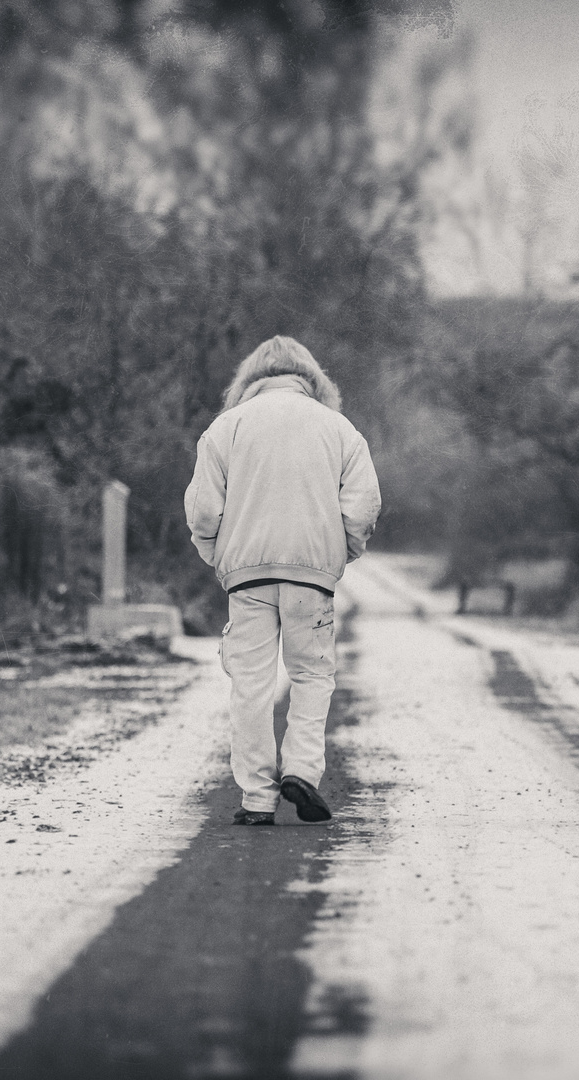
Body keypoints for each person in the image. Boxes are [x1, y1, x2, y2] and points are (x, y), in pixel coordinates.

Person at [184, 336, 381, 826]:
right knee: (312, 675)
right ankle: (301, 771)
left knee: (249, 684)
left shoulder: (225, 429)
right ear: (313, 379)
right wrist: (339, 555)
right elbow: (363, 506)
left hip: (246, 578)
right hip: (312, 576)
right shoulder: (339, 430)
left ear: (248, 379)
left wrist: (219, 557)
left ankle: (256, 799)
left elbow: (204, 508)